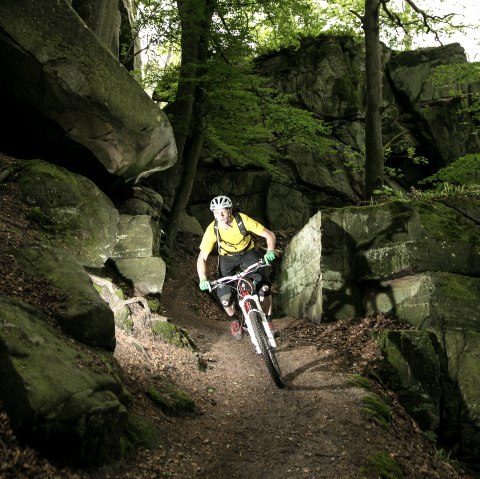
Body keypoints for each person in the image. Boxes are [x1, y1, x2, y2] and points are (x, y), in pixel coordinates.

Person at [197, 195, 277, 340]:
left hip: (248, 253)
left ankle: (268, 321)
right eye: (216, 212)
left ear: (230, 211)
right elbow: (202, 257)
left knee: (264, 287)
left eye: (223, 211)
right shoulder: (212, 229)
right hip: (226, 259)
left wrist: (270, 250)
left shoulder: (242, 220)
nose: (220, 216)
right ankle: (234, 321)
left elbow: (269, 235)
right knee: (225, 298)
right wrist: (203, 278)